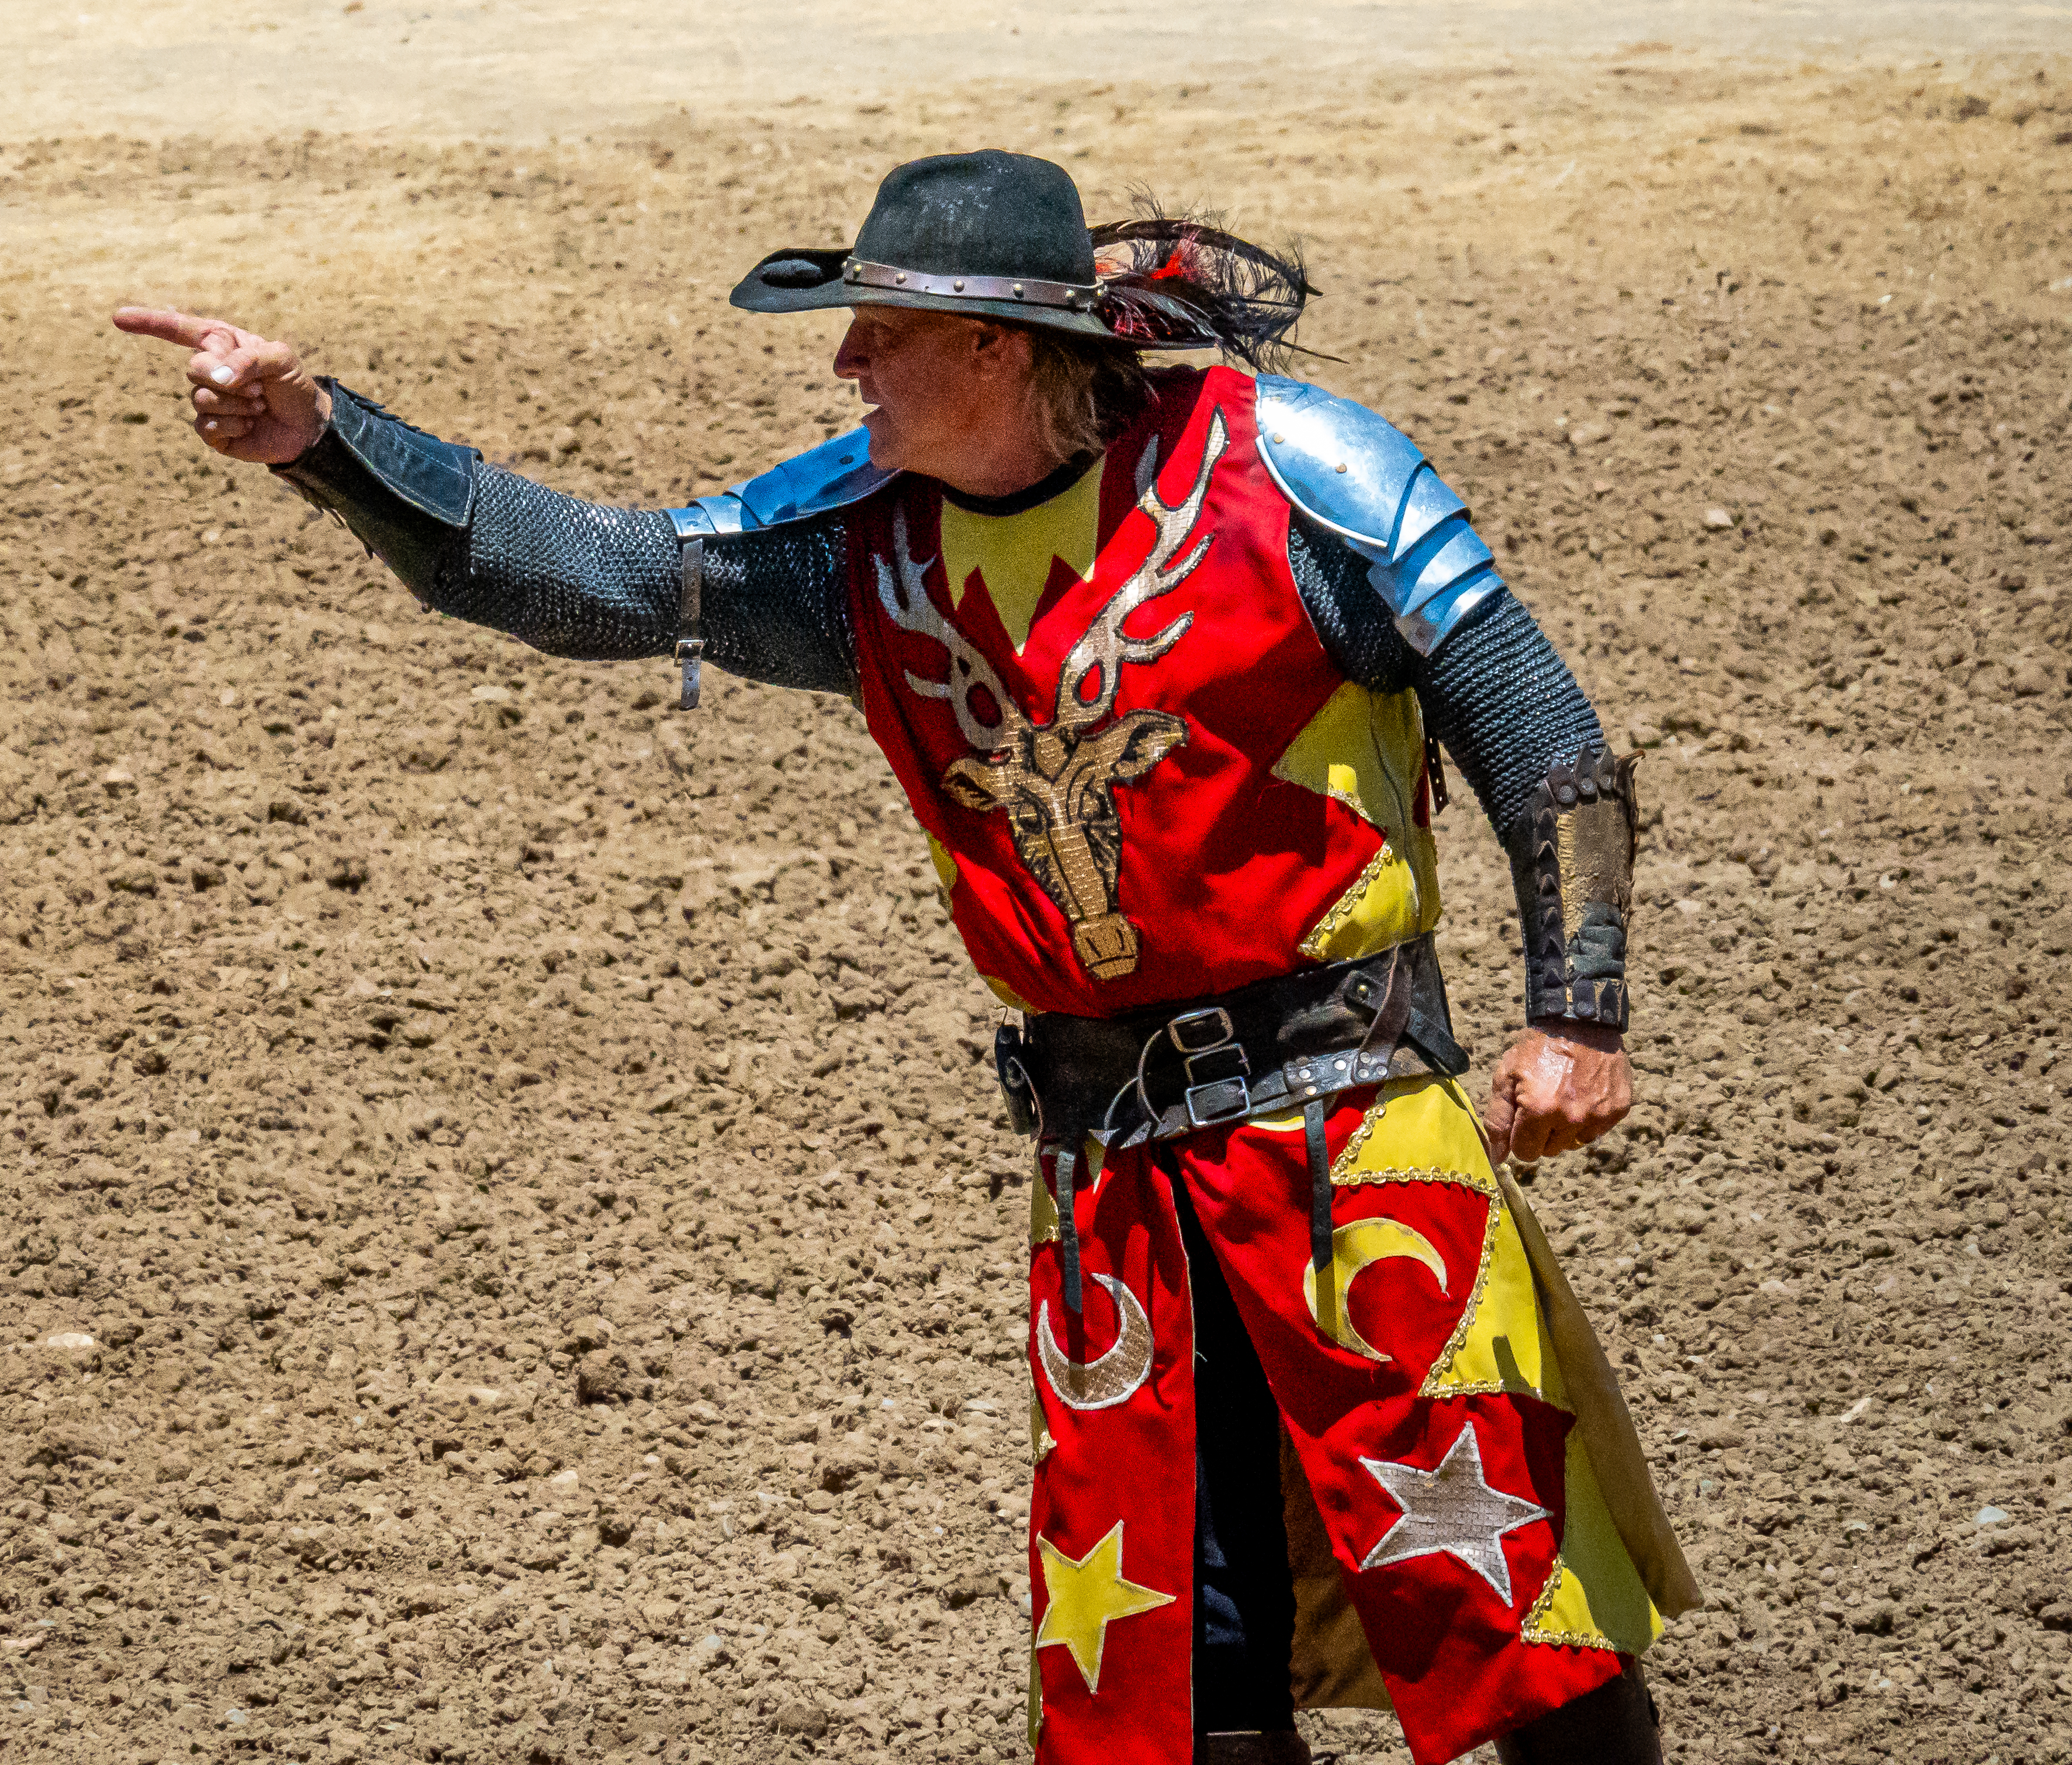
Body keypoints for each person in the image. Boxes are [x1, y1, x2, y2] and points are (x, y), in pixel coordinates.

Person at [115, 150, 1697, 1765]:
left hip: (1359, 1139)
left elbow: (1542, 733)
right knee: (1181, 1678)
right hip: (1114, 1179)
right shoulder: (858, 540)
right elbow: (597, 577)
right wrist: (327, 437)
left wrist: (1578, 1013)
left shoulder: (1298, 478)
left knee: (1516, 1613)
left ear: (1001, 346)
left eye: (879, 328)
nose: (844, 362)